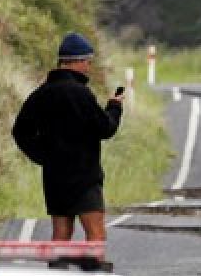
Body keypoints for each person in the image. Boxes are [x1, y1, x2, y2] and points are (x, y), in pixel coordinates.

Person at [12, 32, 122, 241]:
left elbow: (20, 131)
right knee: (96, 234)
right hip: (84, 177)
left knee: (61, 234)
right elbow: (106, 128)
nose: (88, 67)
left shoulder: (42, 93)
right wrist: (115, 106)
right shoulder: (80, 93)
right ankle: (93, 272)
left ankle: (58, 271)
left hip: (55, 176)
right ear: (78, 61)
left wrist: (44, 157)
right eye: (88, 62)